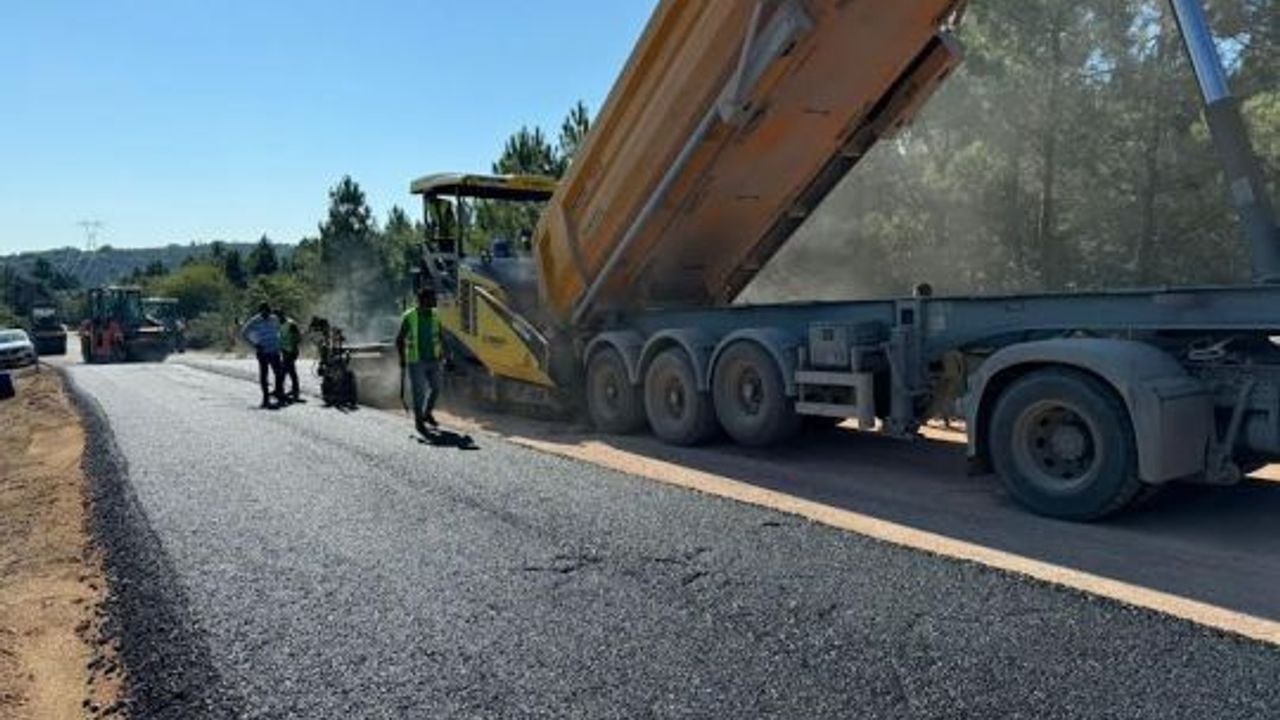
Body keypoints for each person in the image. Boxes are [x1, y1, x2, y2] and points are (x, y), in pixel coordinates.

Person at [396, 287, 444, 434]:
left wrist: (444, 352)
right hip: (416, 361)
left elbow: (440, 335)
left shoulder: (436, 315)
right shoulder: (409, 316)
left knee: (436, 388)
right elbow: (399, 340)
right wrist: (402, 359)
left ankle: (426, 413)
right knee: (419, 393)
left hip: (434, 359)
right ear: (424, 300)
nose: (436, 301)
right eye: (433, 298)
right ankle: (419, 422)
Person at [241, 303, 284, 407]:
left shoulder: (274, 318)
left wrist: (280, 342)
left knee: (279, 373)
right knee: (264, 375)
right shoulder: (255, 320)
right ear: (260, 311)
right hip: (263, 351)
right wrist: (254, 344)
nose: (266, 313)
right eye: (264, 311)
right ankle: (265, 398)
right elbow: (244, 332)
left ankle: (279, 394)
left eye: (268, 311)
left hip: (274, 350)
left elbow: (280, 329)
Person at [277, 311, 302, 401]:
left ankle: (280, 390)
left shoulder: (290, 324)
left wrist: (293, 348)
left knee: (284, 371)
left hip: (291, 351)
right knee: (291, 371)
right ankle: (295, 390)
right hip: (285, 351)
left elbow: (298, 337)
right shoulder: (280, 324)